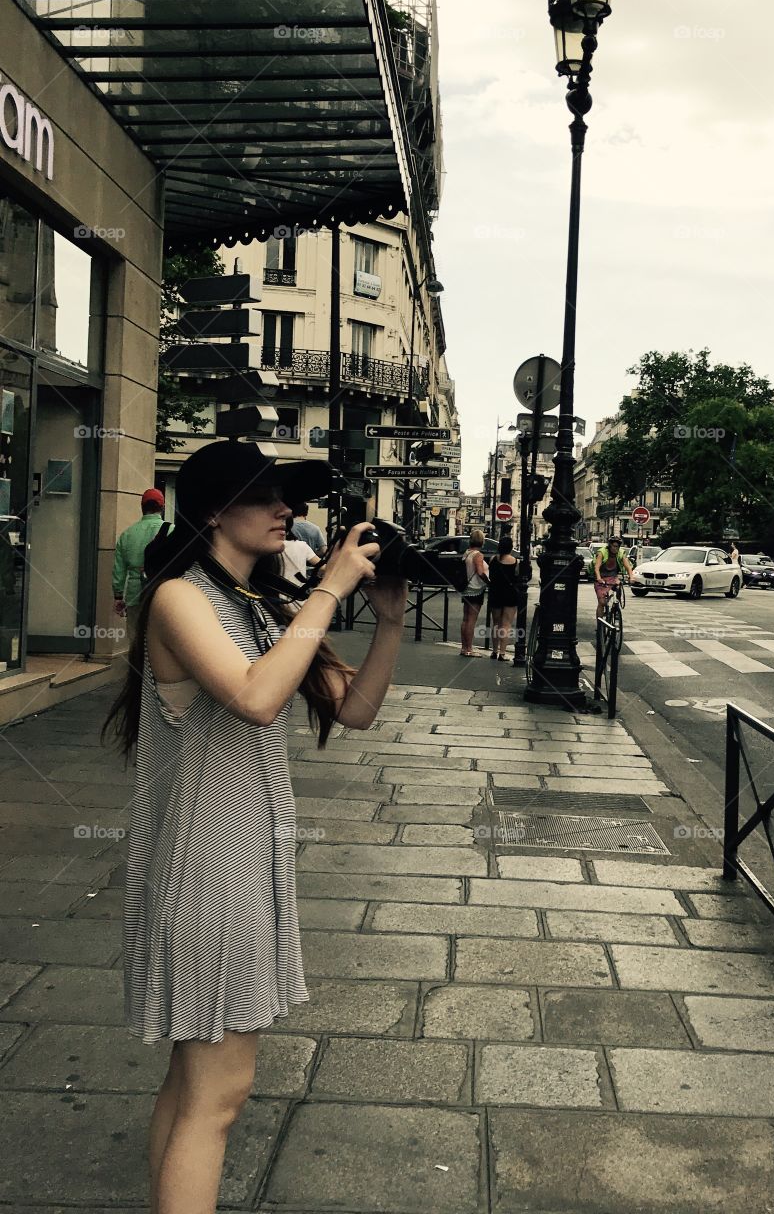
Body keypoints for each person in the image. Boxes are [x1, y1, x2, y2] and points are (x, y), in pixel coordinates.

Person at [101, 439, 406, 1214]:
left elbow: (355, 710)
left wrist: (391, 623)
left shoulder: (264, 608)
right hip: (209, 872)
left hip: (243, 867)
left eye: (289, 497)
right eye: (266, 496)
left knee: (192, 1084)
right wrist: (330, 589)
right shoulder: (180, 600)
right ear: (211, 510)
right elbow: (256, 697)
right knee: (219, 1098)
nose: (287, 510)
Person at [113, 488, 167, 642]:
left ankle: (136, 666)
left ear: (142, 508)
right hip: (161, 593)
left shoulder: (127, 534)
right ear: (162, 507)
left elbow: (119, 570)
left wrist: (118, 596)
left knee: (136, 640)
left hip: (134, 594)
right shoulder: (171, 530)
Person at [488, 534, 520, 661]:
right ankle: (502, 653)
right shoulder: (515, 562)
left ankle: (494, 651)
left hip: (495, 593)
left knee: (495, 624)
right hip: (510, 595)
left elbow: (491, 575)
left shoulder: (493, 559)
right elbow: (518, 577)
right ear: (511, 548)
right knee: (506, 624)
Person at [460, 528, 488, 656]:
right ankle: (469, 649)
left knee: (465, 619)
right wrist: (489, 582)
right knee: (472, 620)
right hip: (476, 589)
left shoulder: (467, 553)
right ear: (482, 541)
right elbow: (480, 572)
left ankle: (464, 647)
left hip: (466, 588)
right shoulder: (478, 555)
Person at [592, 536, 633, 618]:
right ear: (609, 546)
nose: (615, 548)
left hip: (613, 577)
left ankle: (615, 606)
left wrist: (631, 577)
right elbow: (596, 567)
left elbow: (628, 567)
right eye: (614, 546)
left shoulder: (621, 553)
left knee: (618, 586)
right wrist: (599, 578)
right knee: (602, 602)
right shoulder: (602, 552)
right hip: (601, 577)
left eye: (617, 546)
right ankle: (600, 625)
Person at [281, 513, 321, 593]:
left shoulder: (266, 548)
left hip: (271, 598)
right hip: (298, 597)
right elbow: (322, 566)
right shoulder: (302, 545)